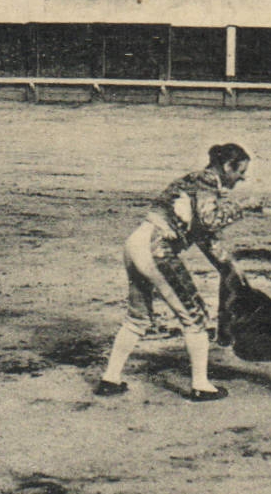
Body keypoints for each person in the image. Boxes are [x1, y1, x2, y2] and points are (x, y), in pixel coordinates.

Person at [96, 143, 257, 400]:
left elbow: (206, 237)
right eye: (240, 173)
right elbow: (208, 221)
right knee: (196, 316)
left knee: (138, 317)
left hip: (135, 243)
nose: (241, 179)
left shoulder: (194, 181)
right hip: (156, 250)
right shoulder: (206, 186)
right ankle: (201, 386)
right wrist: (243, 208)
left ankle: (110, 379)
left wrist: (229, 267)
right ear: (228, 167)